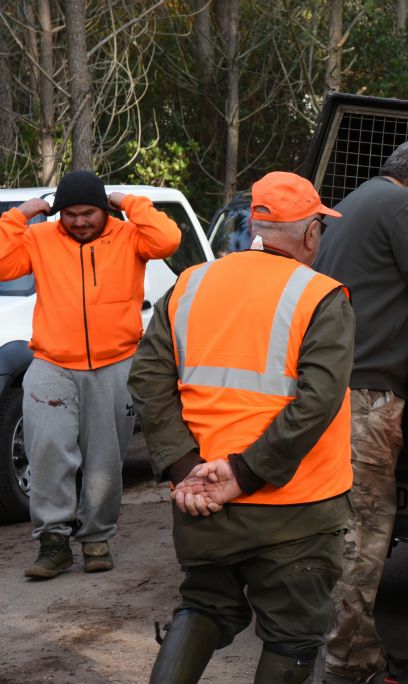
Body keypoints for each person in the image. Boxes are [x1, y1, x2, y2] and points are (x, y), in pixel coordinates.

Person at [127, 171, 355, 683]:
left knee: (205, 605)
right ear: (311, 233)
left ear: (255, 223)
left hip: (203, 505)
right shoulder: (322, 296)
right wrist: (246, 474)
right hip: (296, 510)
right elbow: (317, 402)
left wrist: (188, 470)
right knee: (292, 635)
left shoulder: (192, 283)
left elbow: (147, 378)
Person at [315, 137, 408, 684]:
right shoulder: (404, 205)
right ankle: (347, 664)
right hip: (369, 398)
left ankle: (349, 648)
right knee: (365, 533)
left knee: (335, 526)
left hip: (331, 390)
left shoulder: (351, 203)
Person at [0, 170, 182, 579]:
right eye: (70, 214)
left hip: (115, 363)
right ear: (58, 214)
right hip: (52, 362)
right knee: (47, 449)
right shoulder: (40, 239)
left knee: (105, 457)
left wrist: (129, 202)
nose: (79, 221)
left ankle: (97, 538)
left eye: (88, 213)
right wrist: (20, 214)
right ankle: (53, 543)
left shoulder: (130, 236)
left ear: (103, 210)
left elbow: (168, 239)